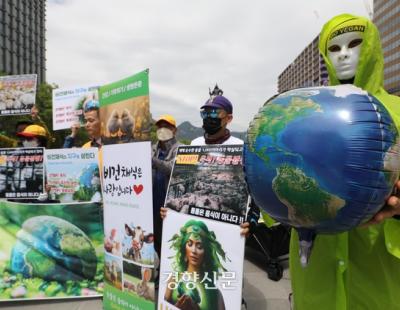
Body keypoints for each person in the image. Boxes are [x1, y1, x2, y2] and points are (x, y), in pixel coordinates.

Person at [289, 14, 400, 310]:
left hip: (377, 267)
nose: (345, 55)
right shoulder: (304, 111)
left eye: (355, 44)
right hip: (317, 271)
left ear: (373, 48)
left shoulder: (398, 111)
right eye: (334, 48)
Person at [164, 219, 227, 310]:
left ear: (206, 253)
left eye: (199, 246)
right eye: (189, 244)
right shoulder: (174, 279)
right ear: (184, 249)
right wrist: (167, 217)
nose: (193, 251)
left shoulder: (215, 293)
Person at [152, 114, 180, 256]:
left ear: (174, 130)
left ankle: (167, 274)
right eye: (160, 126)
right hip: (152, 203)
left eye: (167, 127)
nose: (163, 129)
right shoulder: (153, 148)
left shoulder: (179, 149)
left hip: (168, 206)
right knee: (154, 240)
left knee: (169, 242)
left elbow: (172, 168)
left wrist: (153, 161)